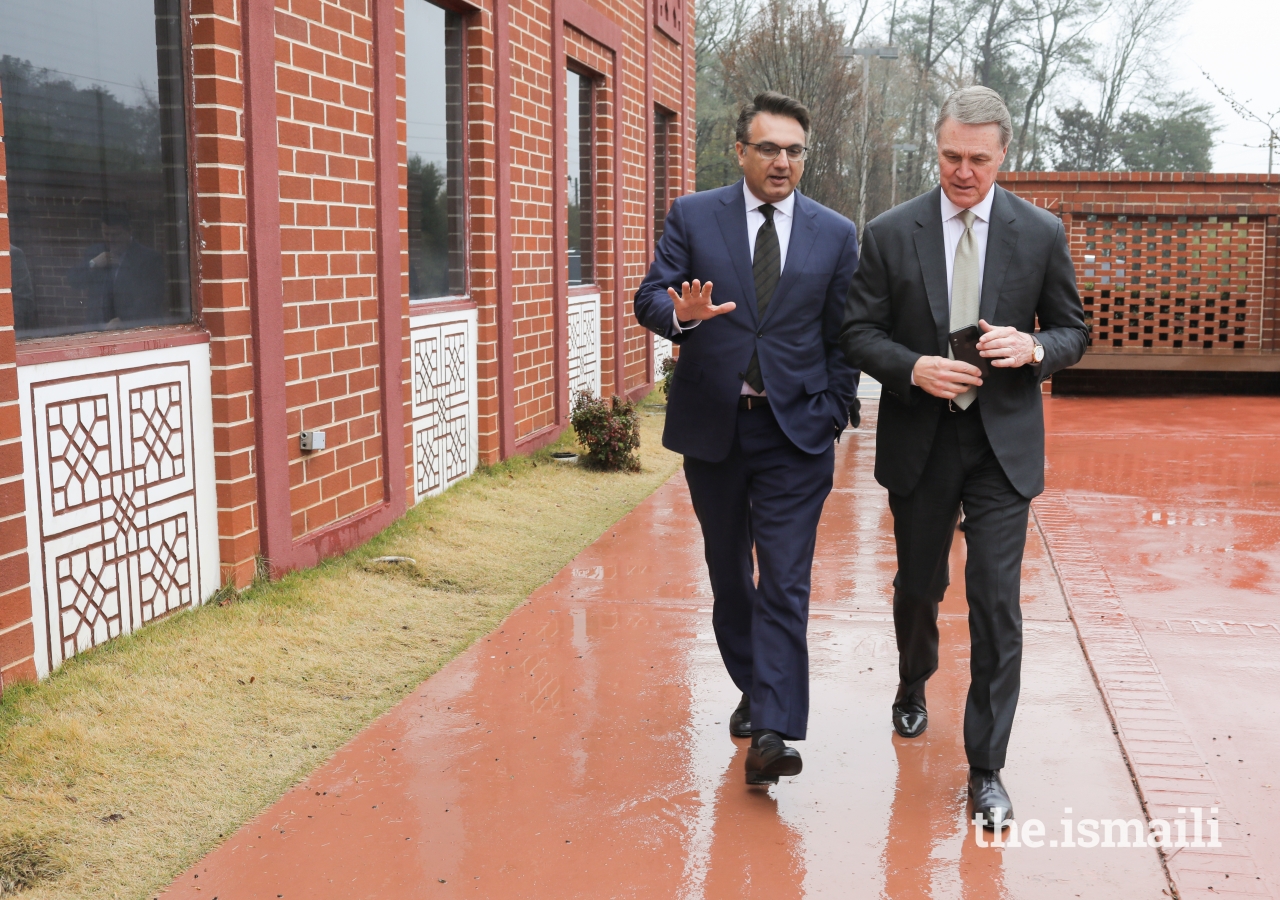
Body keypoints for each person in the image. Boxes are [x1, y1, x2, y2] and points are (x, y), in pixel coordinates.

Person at [839, 86, 1088, 828]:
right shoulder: (889, 232)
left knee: (995, 602)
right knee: (919, 586)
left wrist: (1036, 347)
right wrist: (912, 366)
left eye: (979, 159)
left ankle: (986, 766)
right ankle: (914, 682)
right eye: (951, 156)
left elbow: (1074, 330)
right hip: (921, 438)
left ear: (1004, 155)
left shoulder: (1040, 232)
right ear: (937, 148)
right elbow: (857, 332)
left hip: (1002, 448)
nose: (963, 171)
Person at [635, 92, 860, 785]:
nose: (782, 161)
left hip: (797, 433)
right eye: (768, 148)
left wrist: (834, 408)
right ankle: (754, 683)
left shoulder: (836, 233)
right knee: (732, 576)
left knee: (786, 580)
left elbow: (843, 334)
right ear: (741, 151)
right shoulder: (694, 216)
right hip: (716, 428)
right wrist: (684, 317)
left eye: (794, 150)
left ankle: (772, 730)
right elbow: (649, 297)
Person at [70, 209, 168, 327]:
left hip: (130, 330)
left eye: (116, 235)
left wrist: (124, 320)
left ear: (129, 232)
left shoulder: (148, 258)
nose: (111, 239)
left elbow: (152, 299)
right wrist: (93, 264)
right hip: (96, 329)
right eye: (106, 234)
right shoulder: (95, 252)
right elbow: (74, 281)